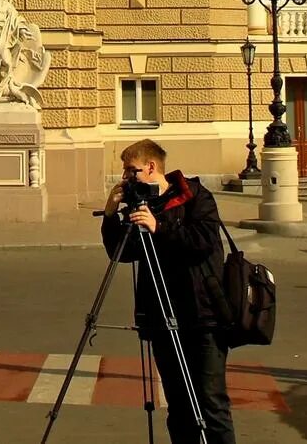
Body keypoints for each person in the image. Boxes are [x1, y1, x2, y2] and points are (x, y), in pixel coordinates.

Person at [100, 139, 237, 444]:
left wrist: (158, 227)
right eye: (124, 172)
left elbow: (202, 241)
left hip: (204, 316)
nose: (126, 178)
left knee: (211, 403)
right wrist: (111, 215)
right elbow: (121, 253)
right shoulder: (141, 206)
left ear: (151, 168)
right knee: (178, 405)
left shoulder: (195, 196)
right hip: (162, 316)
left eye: (131, 171)